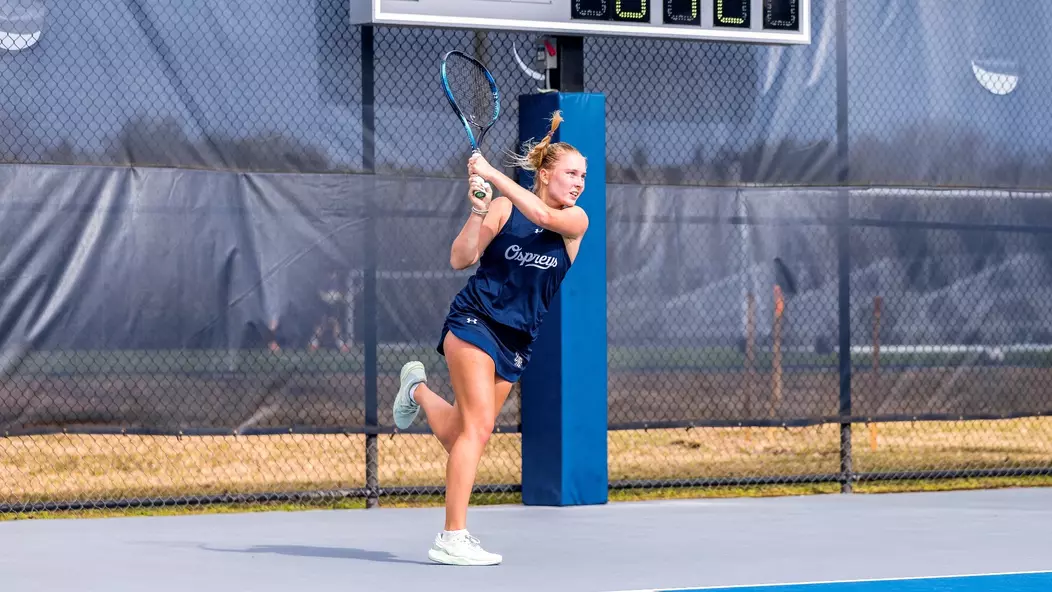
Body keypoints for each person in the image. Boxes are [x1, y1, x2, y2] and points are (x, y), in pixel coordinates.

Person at [391, 111, 589, 566]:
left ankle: (416, 389)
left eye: (583, 175)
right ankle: (452, 535)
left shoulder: (575, 221)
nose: (579, 182)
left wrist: (493, 174)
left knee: (463, 432)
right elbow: (460, 258)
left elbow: (539, 212)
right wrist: (481, 207)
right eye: (571, 173)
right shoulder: (502, 209)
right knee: (478, 431)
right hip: (473, 321)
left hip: (517, 340)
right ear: (544, 173)